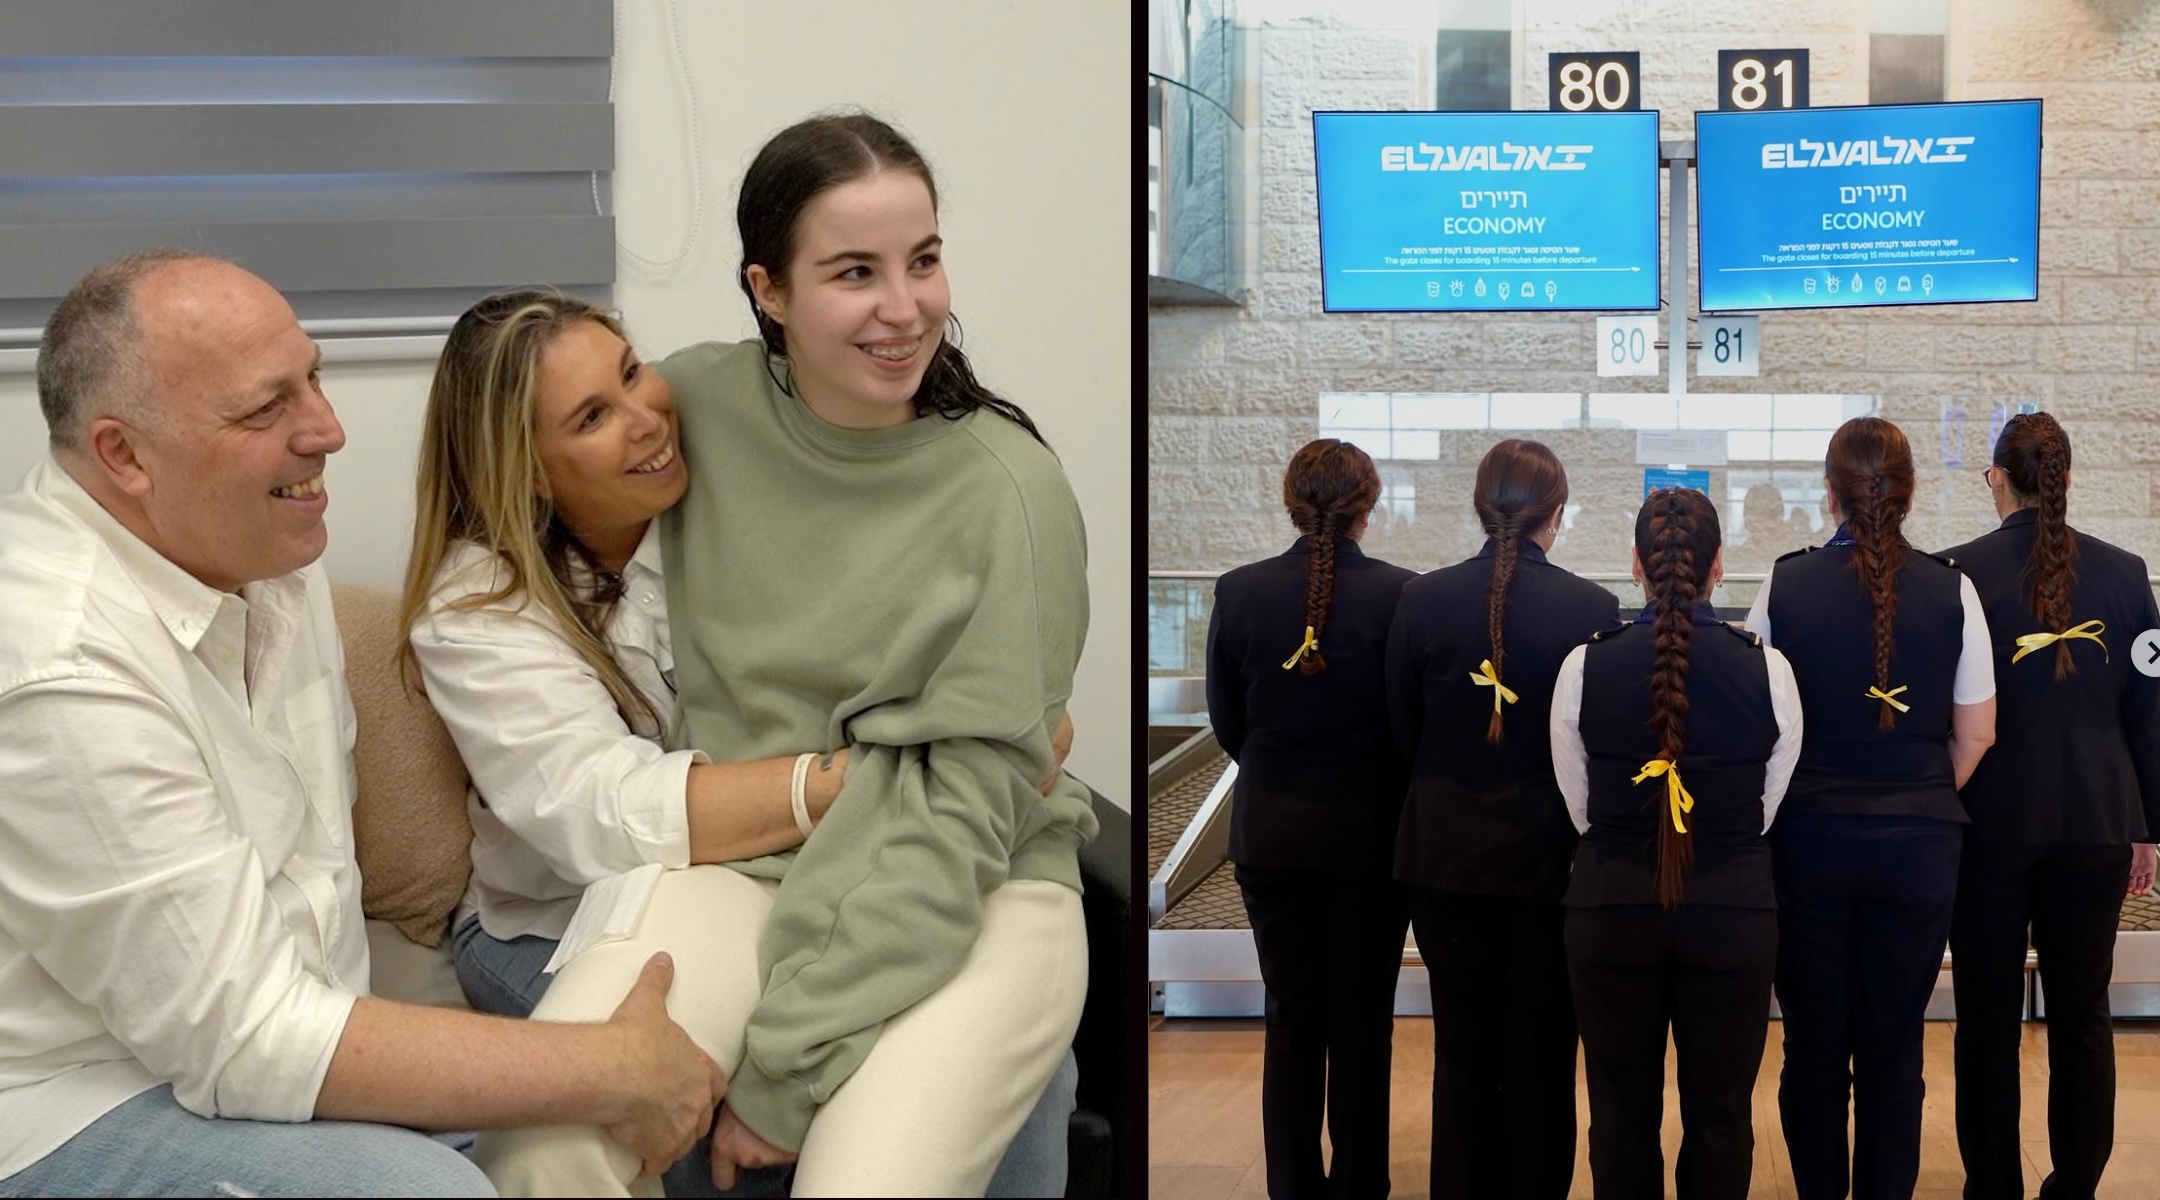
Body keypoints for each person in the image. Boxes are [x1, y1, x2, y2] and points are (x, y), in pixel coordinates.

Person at [0, 250, 723, 1198]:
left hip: (271, 1060)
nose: (328, 432)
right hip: (79, 1100)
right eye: (267, 409)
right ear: (123, 455)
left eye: (316, 379)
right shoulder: (56, 665)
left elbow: (301, 967)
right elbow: (245, 1036)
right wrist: (614, 1066)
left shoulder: (268, 551)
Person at [471, 111, 1096, 1198]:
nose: (904, 310)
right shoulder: (688, 407)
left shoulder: (1011, 490)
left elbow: (962, 813)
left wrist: (783, 1072)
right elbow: (531, 484)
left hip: (979, 885)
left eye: (925, 261)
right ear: (768, 290)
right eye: (855, 272)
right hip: (745, 870)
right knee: (547, 1136)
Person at [1742, 415, 1997, 1200]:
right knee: (1895, 1047)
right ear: (1910, 491)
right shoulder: (1956, 589)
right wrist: (1918, 797)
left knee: (1814, 1045)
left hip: (1808, 843)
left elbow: (1757, 720)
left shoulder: (1783, 585)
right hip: (1921, 849)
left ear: (1830, 493)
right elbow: (1977, 734)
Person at [1551, 488, 1802, 1200]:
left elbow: (1580, 804)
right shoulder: (1769, 669)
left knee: (1619, 1112)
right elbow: (1767, 801)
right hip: (1735, 910)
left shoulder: (1582, 667)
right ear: (1719, 566)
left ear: (1635, 564)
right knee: (1722, 1113)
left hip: (1609, 906)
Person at [1384, 438, 1618, 1200]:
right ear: (1559, 513)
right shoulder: (1590, 608)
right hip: (1550, 865)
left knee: (1462, 1050)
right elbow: (1596, 743)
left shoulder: (1420, 600)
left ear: (1481, 508)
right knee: (1546, 1050)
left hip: (1443, 858)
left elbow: (1402, 730)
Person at [1939, 412, 2160, 1200]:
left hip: (1987, 829)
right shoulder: (2128, 575)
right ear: (2067, 478)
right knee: (2083, 1014)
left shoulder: (1955, 574)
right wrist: (2149, 827)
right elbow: (2149, 711)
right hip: (2098, 824)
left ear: (1997, 478)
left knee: (1988, 1021)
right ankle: (2075, 1185)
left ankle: (1992, 1185)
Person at [1204, 438, 1417, 1200]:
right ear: (1370, 502)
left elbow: (1229, 724)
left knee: (1290, 1017)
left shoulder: (1239, 591)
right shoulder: (1403, 595)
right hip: (1372, 842)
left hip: (1270, 837)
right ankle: (1363, 1184)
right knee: (1364, 1020)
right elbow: (1409, 724)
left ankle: (1292, 1185)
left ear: (1291, 501)